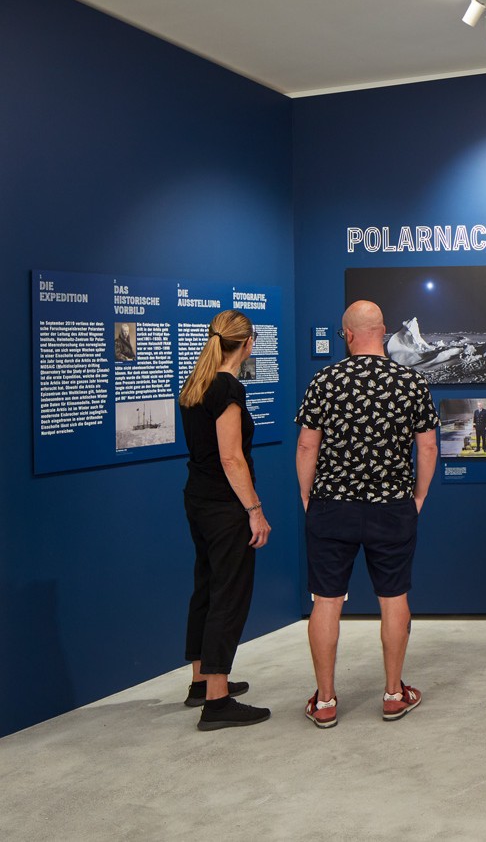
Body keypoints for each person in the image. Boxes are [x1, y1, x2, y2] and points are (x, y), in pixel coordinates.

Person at [295, 300, 439, 728]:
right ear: (383, 331)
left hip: (331, 505)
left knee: (326, 601)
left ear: (349, 335)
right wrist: (417, 498)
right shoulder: (411, 381)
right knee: (394, 599)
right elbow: (428, 447)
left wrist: (308, 497)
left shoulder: (325, 379)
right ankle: (394, 694)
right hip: (392, 507)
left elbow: (307, 446)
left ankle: (325, 702)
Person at [177, 309, 271, 730]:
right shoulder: (228, 389)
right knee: (228, 596)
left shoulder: (197, 383)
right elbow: (232, 458)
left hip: (197, 499)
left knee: (207, 587)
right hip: (224, 506)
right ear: (248, 343)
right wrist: (255, 511)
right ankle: (216, 701)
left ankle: (201, 680)